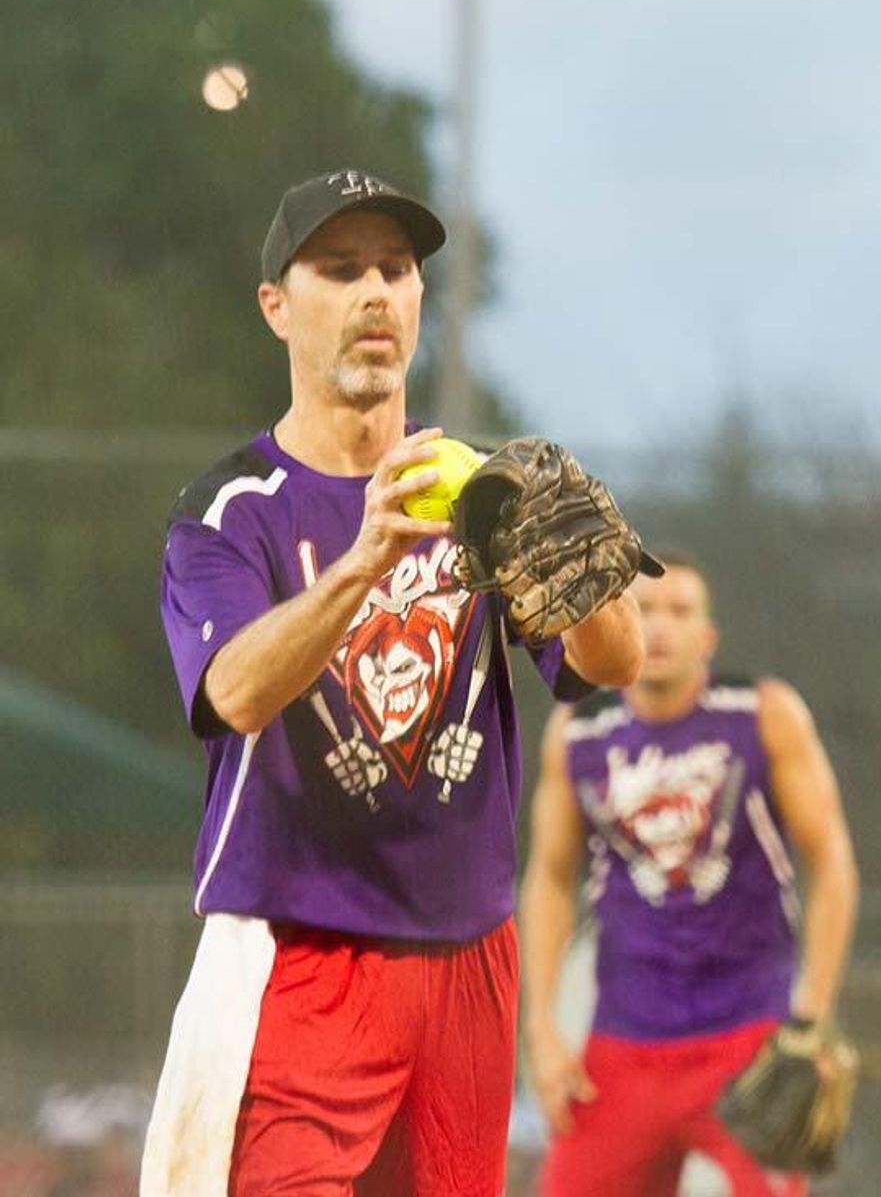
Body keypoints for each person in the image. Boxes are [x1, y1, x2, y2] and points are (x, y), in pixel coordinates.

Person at [139, 168, 644, 1197]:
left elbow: (609, 665)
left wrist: (585, 577)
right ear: (276, 307)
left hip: (468, 961)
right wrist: (364, 561)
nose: (375, 292)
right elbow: (232, 692)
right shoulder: (232, 512)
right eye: (339, 269)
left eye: (395, 268)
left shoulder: (479, 489)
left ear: (418, 300)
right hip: (299, 955)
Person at [520, 553, 859, 1196]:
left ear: (708, 637)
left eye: (681, 611)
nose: (663, 628)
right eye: (645, 610)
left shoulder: (761, 714)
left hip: (749, 1040)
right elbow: (548, 878)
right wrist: (540, 1029)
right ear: (618, 621)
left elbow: (832, 861)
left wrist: (812, 1017)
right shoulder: (578, 733)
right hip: (621, 1044)